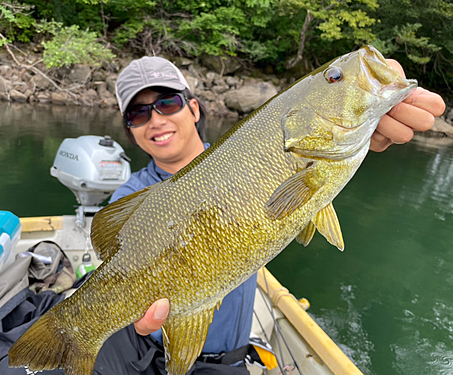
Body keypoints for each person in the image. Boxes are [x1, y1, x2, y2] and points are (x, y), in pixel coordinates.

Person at [93, 55, 445, 374]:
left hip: (229, 360)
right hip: (148, 353)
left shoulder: (260, 150)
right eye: (138, 113)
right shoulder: (129, 198)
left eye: (167, 103)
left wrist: (368, 121)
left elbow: (307, 182)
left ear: (195, 109)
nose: (155, 119)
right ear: (130, 130)